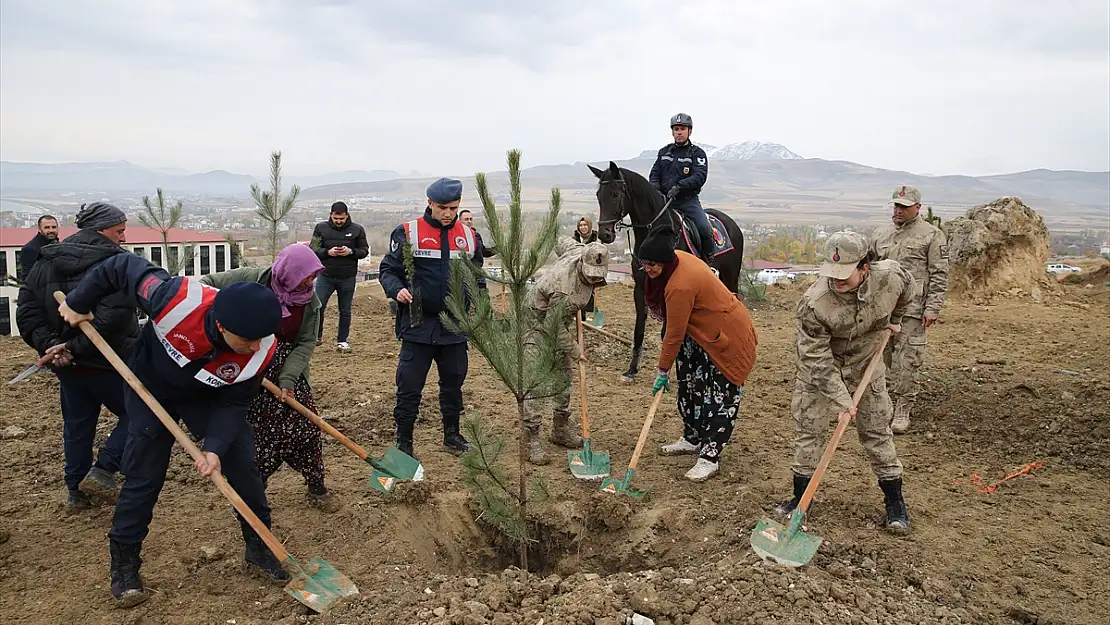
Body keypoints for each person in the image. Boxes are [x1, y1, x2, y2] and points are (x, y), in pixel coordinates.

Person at [57, 253, 288, 607]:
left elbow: (234, 403)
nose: (256, 346)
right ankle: (125, 562)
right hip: (151, 386)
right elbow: (121, 267)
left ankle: (260, 546)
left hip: (209, 395)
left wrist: (214, 447)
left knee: (243, 466)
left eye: (262, 338)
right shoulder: (174, 300)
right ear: (223, 326)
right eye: (249, 339)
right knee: (143, 474)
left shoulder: (262, 348)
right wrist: (79, 302)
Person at [775, 230, 915, 534]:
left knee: (877, 431)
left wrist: (896, 319)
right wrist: (842, 400)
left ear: (865, 267)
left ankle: (895, 503)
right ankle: (801, 501)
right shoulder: (814, 303)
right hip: (822, 371)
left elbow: (908, 290)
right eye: (832, 272)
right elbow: (816, 360)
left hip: (867, 363)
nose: (836, 279)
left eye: (845, 273)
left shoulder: (890, 277)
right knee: (809, 431)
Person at [199, 243, 339, 512]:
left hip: (287, 368)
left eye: (313, 276)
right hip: (248, 364)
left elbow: (306, 342)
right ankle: (253, 493)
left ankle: (316, 484)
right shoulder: (252, 279)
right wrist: (224, 326)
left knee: (307, 429)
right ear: (288, 271)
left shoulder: (310, 302)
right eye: (304, 276)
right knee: (257, 436)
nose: (309, 282)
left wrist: (287, 380)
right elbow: (206, 284)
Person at [15, 203, 136, 510]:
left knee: (78, 426)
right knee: (139, 414)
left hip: (67, 365)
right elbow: (115, 319)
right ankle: (103, 470)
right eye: (119, 231)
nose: (123, 237)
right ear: (101, 230)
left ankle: (77, 491)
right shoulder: (118, 263)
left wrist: (53, 347)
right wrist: (65, 347)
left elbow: (27, 312)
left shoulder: (47, 261)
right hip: (110, 363)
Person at [638, 225, 758, 481]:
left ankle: (709, 457)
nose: (648, 269)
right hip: (699, 334)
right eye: (643, 263)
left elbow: (674, 332)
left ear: (665, 262)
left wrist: (662, 369)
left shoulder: (679, 285)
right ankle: (692, 438)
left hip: (724, 337)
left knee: (719, 398)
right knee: (690, 385)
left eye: (652, 264)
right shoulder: (675, 262)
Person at [379, 178, 483, 458]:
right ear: (429, 204)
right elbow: (388, 270)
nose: (447, 213)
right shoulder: (408, 233)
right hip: (418, 325)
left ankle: (452, 435)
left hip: (454, 326)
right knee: (409, 386)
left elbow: (478, 279)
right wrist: (396, 289)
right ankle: (404, 441)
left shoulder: (470, 236)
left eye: (453, 208)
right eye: (442, 208)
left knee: (453, 384)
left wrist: (479, 307)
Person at [521, 237, 611, 464]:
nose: (592, 278)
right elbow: (554, 327)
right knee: (536, 380)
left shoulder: (580, 249)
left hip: (559, 320)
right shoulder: (564, 290)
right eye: (589, 274)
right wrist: (575, 349)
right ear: (581, 263)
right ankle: (531, 438)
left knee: (563, 376)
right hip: (535, 322)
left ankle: (560, 428)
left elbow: (559, 240)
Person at [871, 185, 949, 434]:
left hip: (913, 312)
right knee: (878, 360)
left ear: (917, 208)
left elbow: (939, 274)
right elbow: (869, 270)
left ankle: (903, 408)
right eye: (896, 205)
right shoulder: (881, 234)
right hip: (882, 310)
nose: (898, 211)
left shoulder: (932, 235)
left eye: (904, 207)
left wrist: (933, 308)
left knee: (908, 362)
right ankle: (880, 406)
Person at [648, 113, 713, 264]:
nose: (679, 132)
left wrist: (680, 186)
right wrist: (656, 188)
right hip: (665, 202)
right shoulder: (664, 152)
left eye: (682, 128)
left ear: (689, 131)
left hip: (687, 202)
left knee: (705, 229)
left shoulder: (697, 154)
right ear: (672, 132)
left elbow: (700, 176)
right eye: (676, 129)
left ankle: (709, 262)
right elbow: (654, 174)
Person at [310, 201, 369, 352]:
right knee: (318, 306)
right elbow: (313, 249)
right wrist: (327, 252)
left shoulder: (357, 229)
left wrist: (351, 252)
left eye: (341, 218)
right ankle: (317, 336)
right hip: (325, 275)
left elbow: (364, 251)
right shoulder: (320, 228)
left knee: (345, 310)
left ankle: (342, 340)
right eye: (336, 218)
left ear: (347, 215)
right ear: (331, 215)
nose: (338, 221)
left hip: (347, 276)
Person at [573, 216, 599, 320]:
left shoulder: (595, 239)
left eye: (585, 225)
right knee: (576, 295)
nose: (583, 227)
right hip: (577, 271)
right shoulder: (575, 239)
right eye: (581, 225)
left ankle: (583, 318)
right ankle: (579, 318)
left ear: (589, 226)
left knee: (588, 294)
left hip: (590, 271)